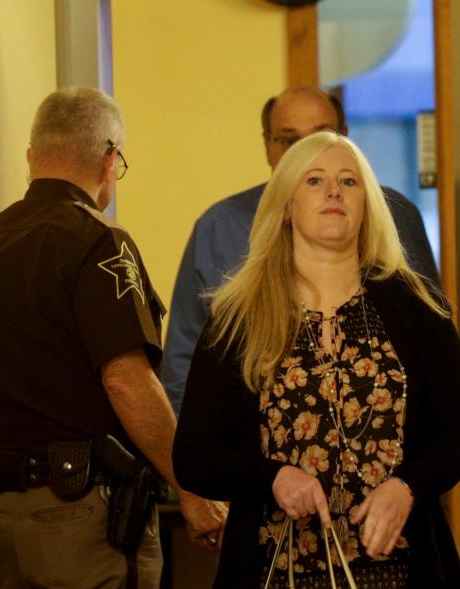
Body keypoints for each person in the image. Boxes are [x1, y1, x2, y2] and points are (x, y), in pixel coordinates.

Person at [172, 131, 460, 589]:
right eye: (314, 181)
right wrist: (273, 477)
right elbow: (194, 455)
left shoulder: (415, 308)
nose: (333, 192)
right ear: (287, 205)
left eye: (348, 182)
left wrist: (408, 487)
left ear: (367, 205)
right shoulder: (239, 317)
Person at [0, 87, 227, 589]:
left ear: (32, 157)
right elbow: (127, 379)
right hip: (87, 520)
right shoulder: (99, 243)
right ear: (110, 160)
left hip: (5, 517)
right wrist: (193, 492)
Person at [162, 85, 439, 414]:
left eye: (322, 136)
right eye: (290, 140)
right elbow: (183, 367)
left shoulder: (398, 217)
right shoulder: (218, 229)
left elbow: (434, 356)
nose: (309, 153)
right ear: (268, 145)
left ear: (346, 138)